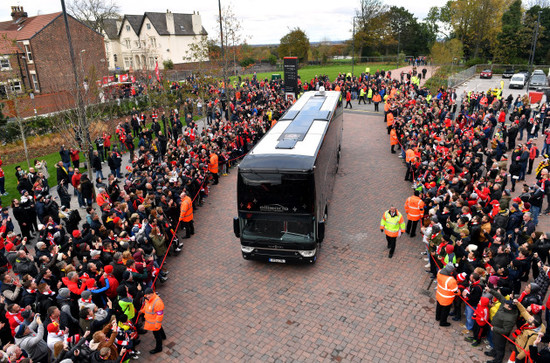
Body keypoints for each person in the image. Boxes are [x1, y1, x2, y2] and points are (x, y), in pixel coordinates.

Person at [140, 288, 165, 354]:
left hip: (155, 323)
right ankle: (163, 336)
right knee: (159, 331)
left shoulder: (158, 302)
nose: (148, 296)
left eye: (149, 294)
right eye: (147, 294)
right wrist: (142, 311)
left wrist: (157, 325)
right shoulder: (148, 299)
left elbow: (160, 316)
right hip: (153, 321)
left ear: (152, 293)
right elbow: (146, 307)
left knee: (157, 336)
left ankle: (159, 348)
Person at [435, 263, 458, 327]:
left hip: (439, 294)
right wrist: (460, 292)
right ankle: (443, 322)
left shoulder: (439, 272)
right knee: (445, 311)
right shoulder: (451, 280)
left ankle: (437, 317)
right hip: (446, 299)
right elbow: (455, 291)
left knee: (439, 307)